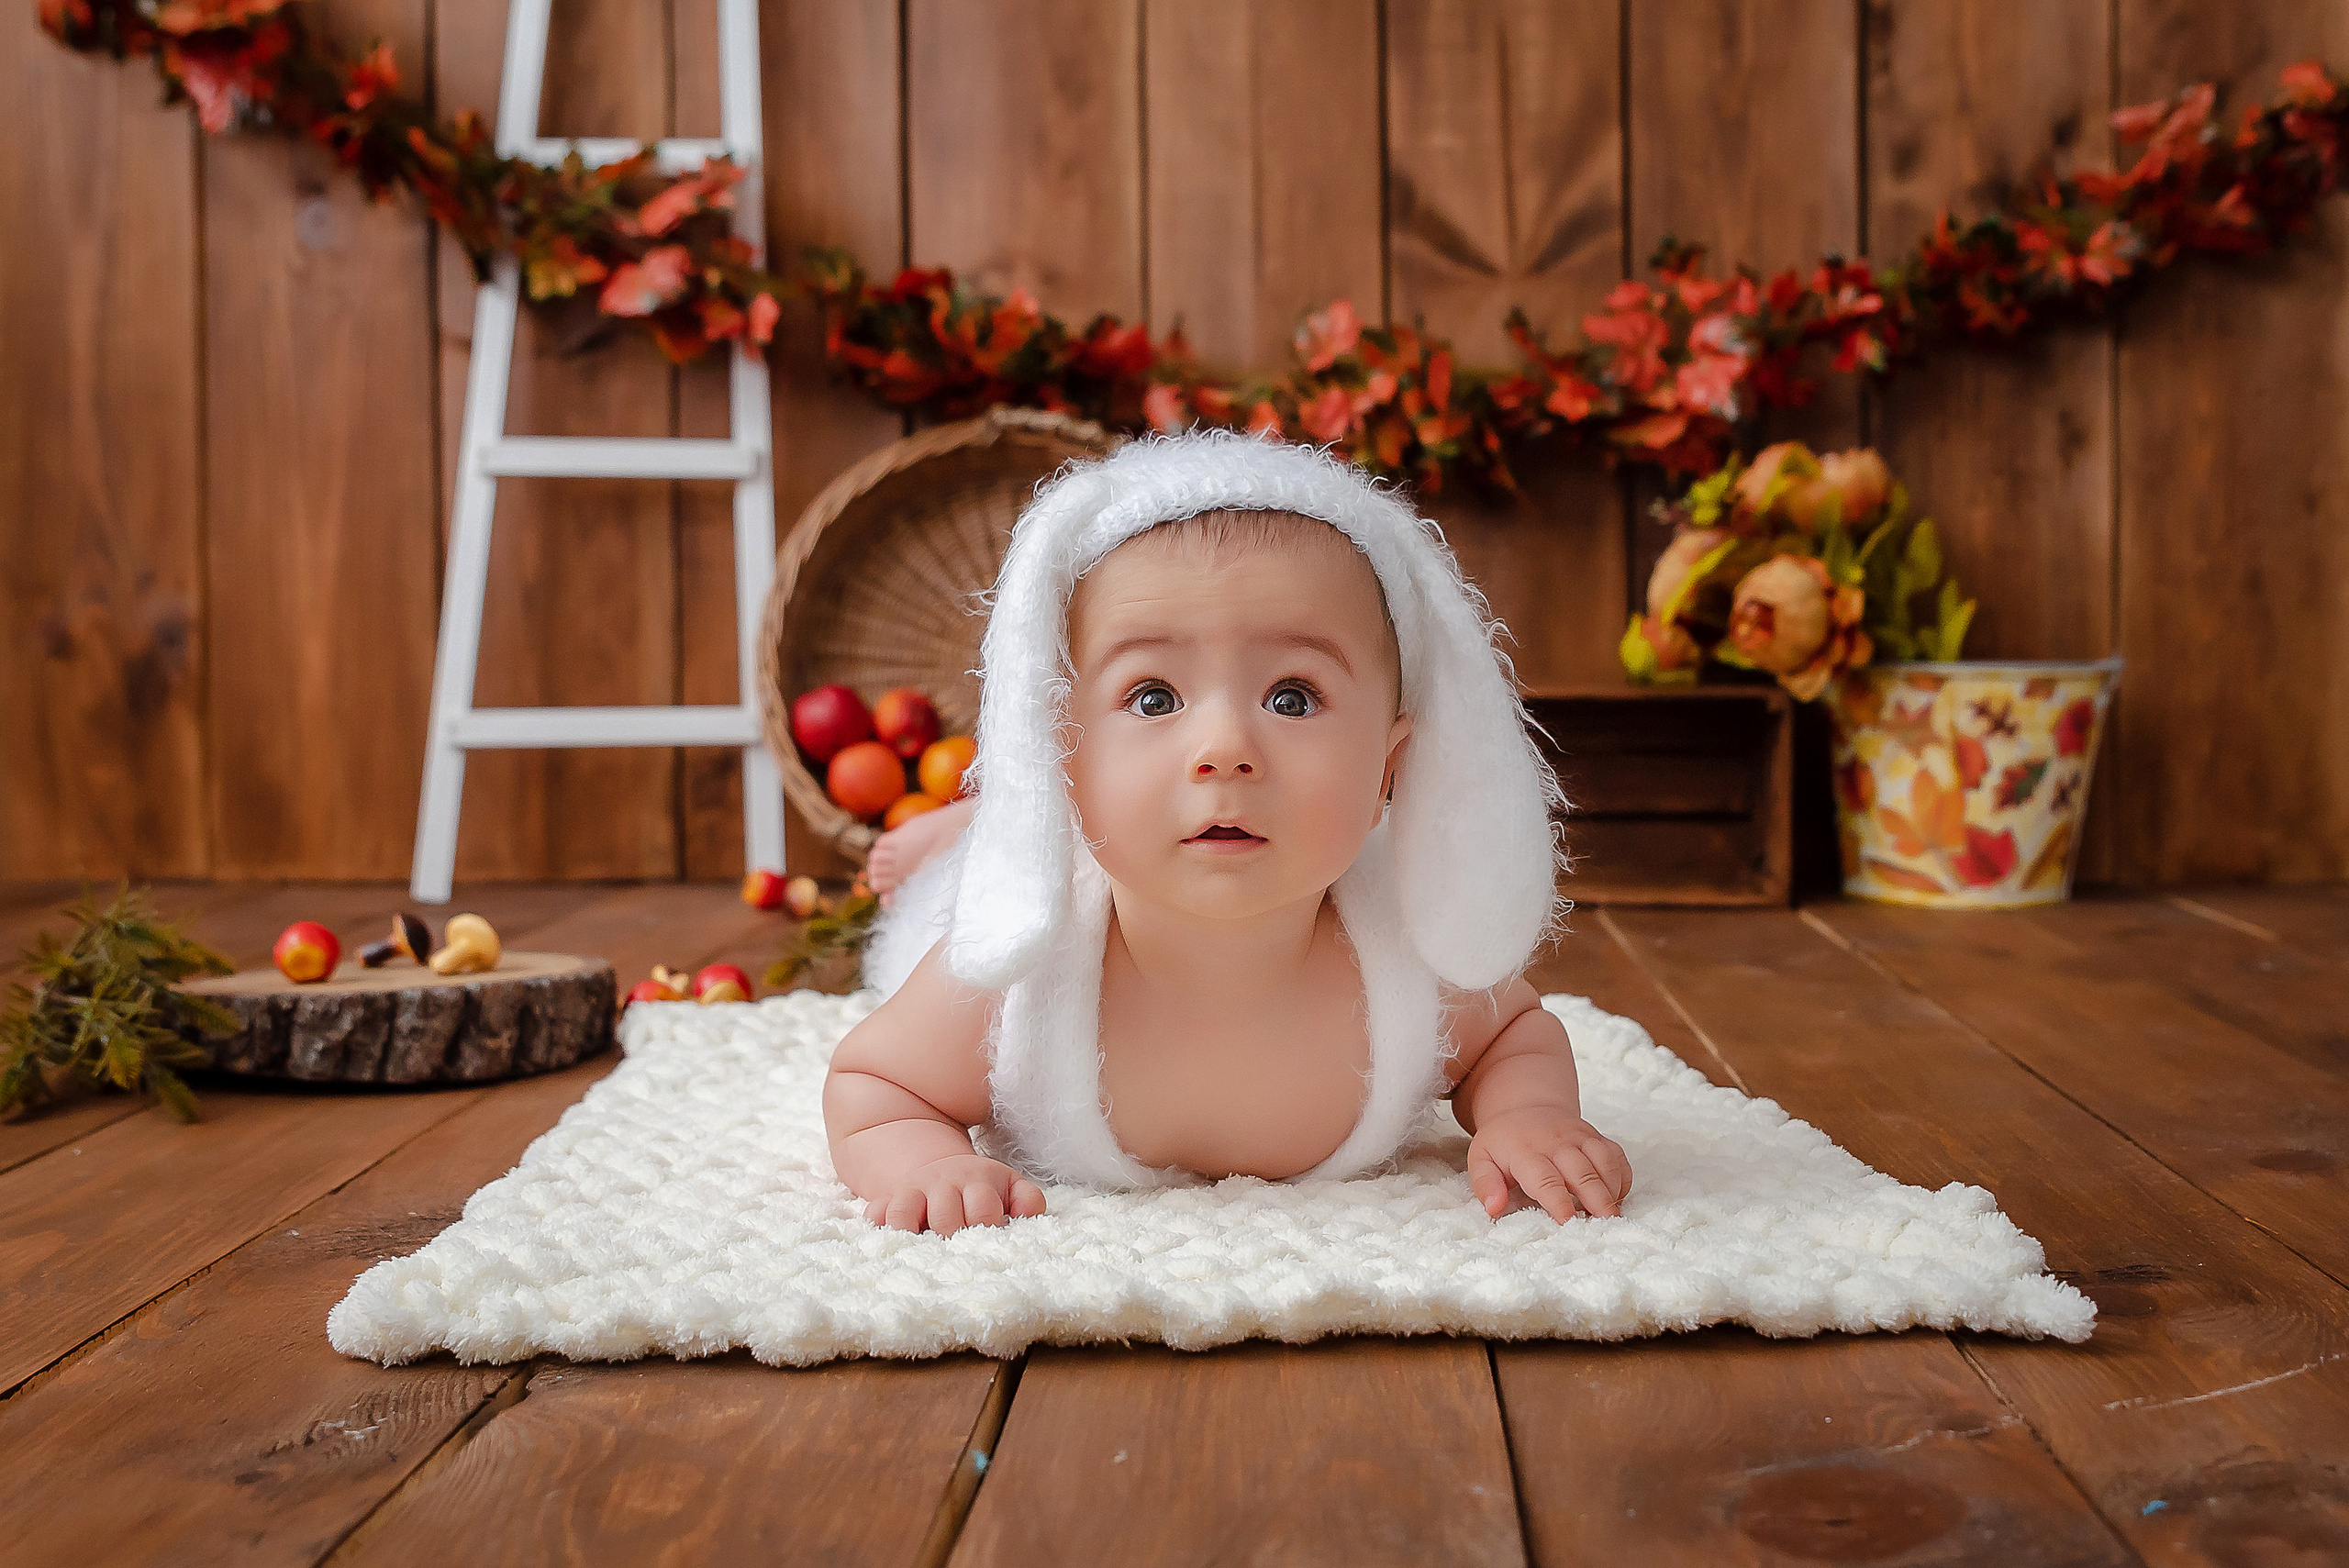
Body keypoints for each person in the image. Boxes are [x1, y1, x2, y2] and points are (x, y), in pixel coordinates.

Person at [823, 431, 1631, 1235]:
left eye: (1292, 697)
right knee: (951, 879)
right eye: (1152, 697)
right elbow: (876, 1085)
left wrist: (1526, 1113)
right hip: (1023, 868)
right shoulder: (1012, 969)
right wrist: (925, 1162)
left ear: (1391, 768)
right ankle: (967, 828)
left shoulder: (1412, 952)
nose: (1225, 751)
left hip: (1128, 824)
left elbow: (1516, 1037)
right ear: (1057, 757)